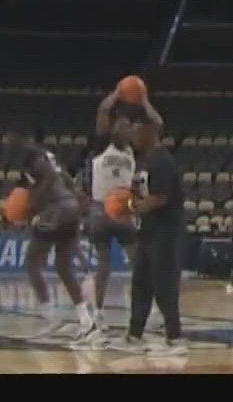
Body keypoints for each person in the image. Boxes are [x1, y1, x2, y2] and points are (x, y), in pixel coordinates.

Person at [111, 116, 186, 355]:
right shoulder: (143, 160)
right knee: (141, 283)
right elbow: (138, 193)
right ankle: (134, 335)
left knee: (164, 284)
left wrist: (129, 208)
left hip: (166, 231)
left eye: (136, 131)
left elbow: (158, 199)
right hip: (149, 230)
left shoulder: (163, 161)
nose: (132, 136)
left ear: (150, 132)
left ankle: (175, 338)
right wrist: (126, 199)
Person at [13, 141, 98, 343]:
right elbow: (76, 193)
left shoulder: (41, 172)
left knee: (32, 262)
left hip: (56, 214)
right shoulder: (58, 170)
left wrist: (28, 210)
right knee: (63, 267)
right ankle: (86, 320)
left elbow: (38, 202)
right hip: (71, 214)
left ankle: (49, 315)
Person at [85, 117, 141, 324]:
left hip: (119, 208)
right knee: (108, 264)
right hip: (103, 207)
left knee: (125, 263)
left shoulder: (130, 152)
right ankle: (98, 310)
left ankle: (137, 306)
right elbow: (103, 113)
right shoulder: (102, 148)